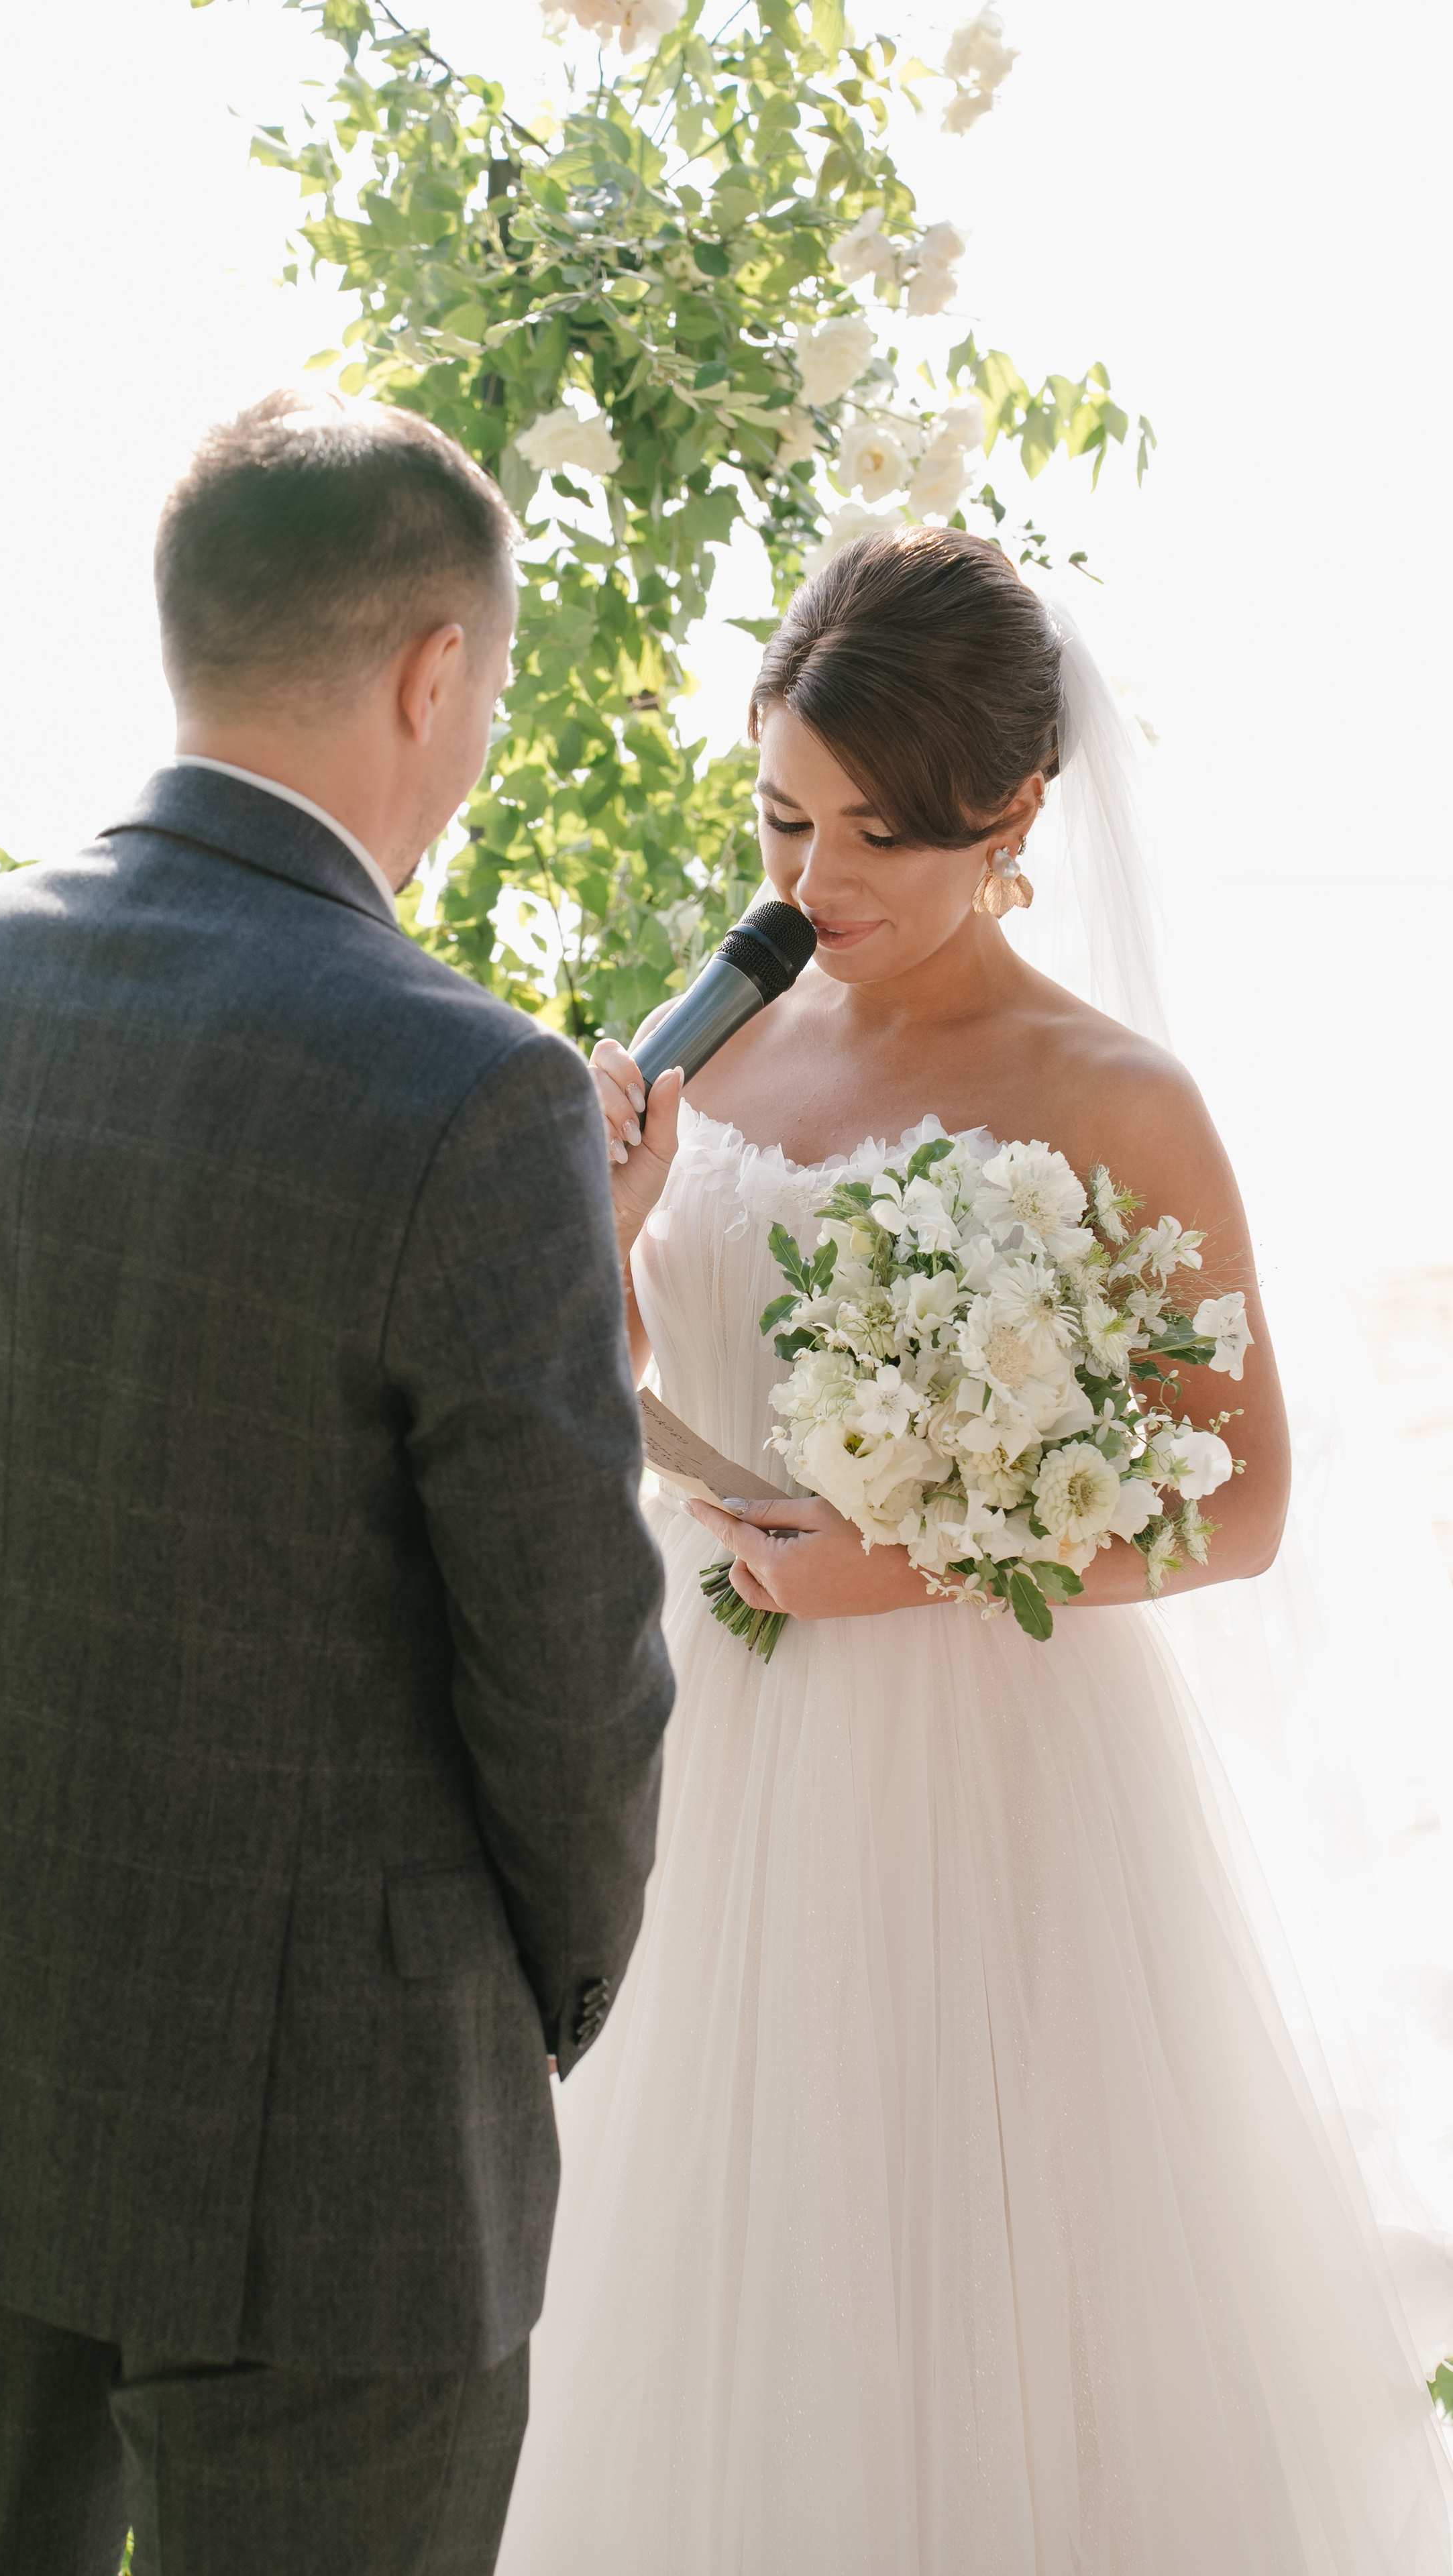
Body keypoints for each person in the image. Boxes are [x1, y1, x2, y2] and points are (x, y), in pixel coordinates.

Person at [495, 528, 1453, 2572]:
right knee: (698, 2275)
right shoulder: (726, 1033)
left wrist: (908, 1564)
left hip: (989, 1786)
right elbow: (632, 1384)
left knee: (983, 2286)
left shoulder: (1114, 1095)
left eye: (876, 840)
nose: (811, 887)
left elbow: (1242, 1498)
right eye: (780, 819)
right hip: (701, 1748)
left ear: (1012, 816)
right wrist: (603, 1234)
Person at [0, 392, 673, 2575]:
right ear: (431, 673)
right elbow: (569, 1673)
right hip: (341, 2139)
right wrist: (536, 2005)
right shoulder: (475, 1090)